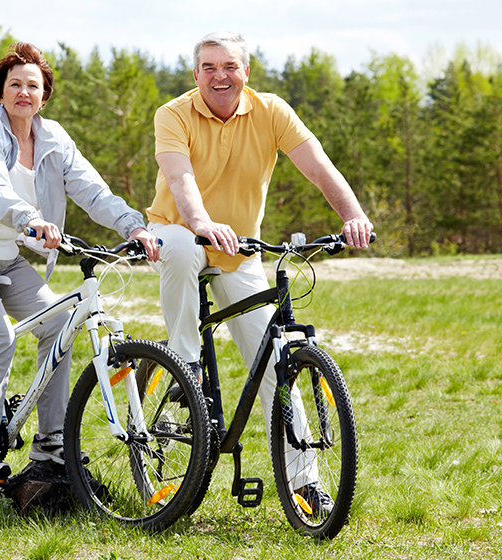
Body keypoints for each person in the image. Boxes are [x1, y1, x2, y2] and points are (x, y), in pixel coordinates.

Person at [0, 42, 159, 484]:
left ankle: (51, 443)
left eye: (32, 85)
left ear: (45, 95)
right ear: (0, 92)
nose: (23, 92)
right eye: (14, 84)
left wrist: (133, 226)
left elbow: (93, 192)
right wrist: (32, 219)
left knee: (58, 323)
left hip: (5, 256)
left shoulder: (54, 139)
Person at [146, 32, 373, 515]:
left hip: (240, 248)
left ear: (246, 71)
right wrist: (202, 223)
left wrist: (352, 214)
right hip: (177, 231)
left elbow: (317, 166)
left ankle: (305, 485)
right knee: (185, 245)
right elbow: (180, 177)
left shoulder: (271, 111)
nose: (219, 76)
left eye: (229, 66)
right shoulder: (173, 114)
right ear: (196, 75)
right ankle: (184, 367)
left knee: (277, 364)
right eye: (209, 67)